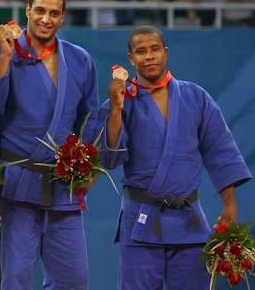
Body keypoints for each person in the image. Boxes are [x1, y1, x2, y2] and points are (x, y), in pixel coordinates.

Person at [99, 25, 252, 290]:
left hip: (189, 224)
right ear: (130, 59)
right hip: (140, 221)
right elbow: (110, 158)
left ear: (166, 53)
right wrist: (115, 109)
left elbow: (220, 150)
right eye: (141, 51)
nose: (149, 57)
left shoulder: (196, 97)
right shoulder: (122, 101)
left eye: (155, 49)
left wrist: (229, 204)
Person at [0, 0, 99, 289]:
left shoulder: (80, 60)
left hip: (63, 186)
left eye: (54, 13)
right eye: (40, 10)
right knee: (16, 278)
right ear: (27, 10)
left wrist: (89, 166)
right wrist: (5, 57)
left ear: (63, 18)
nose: (46, 18)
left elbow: (90, 119)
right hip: (18, 185)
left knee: (75, 278)